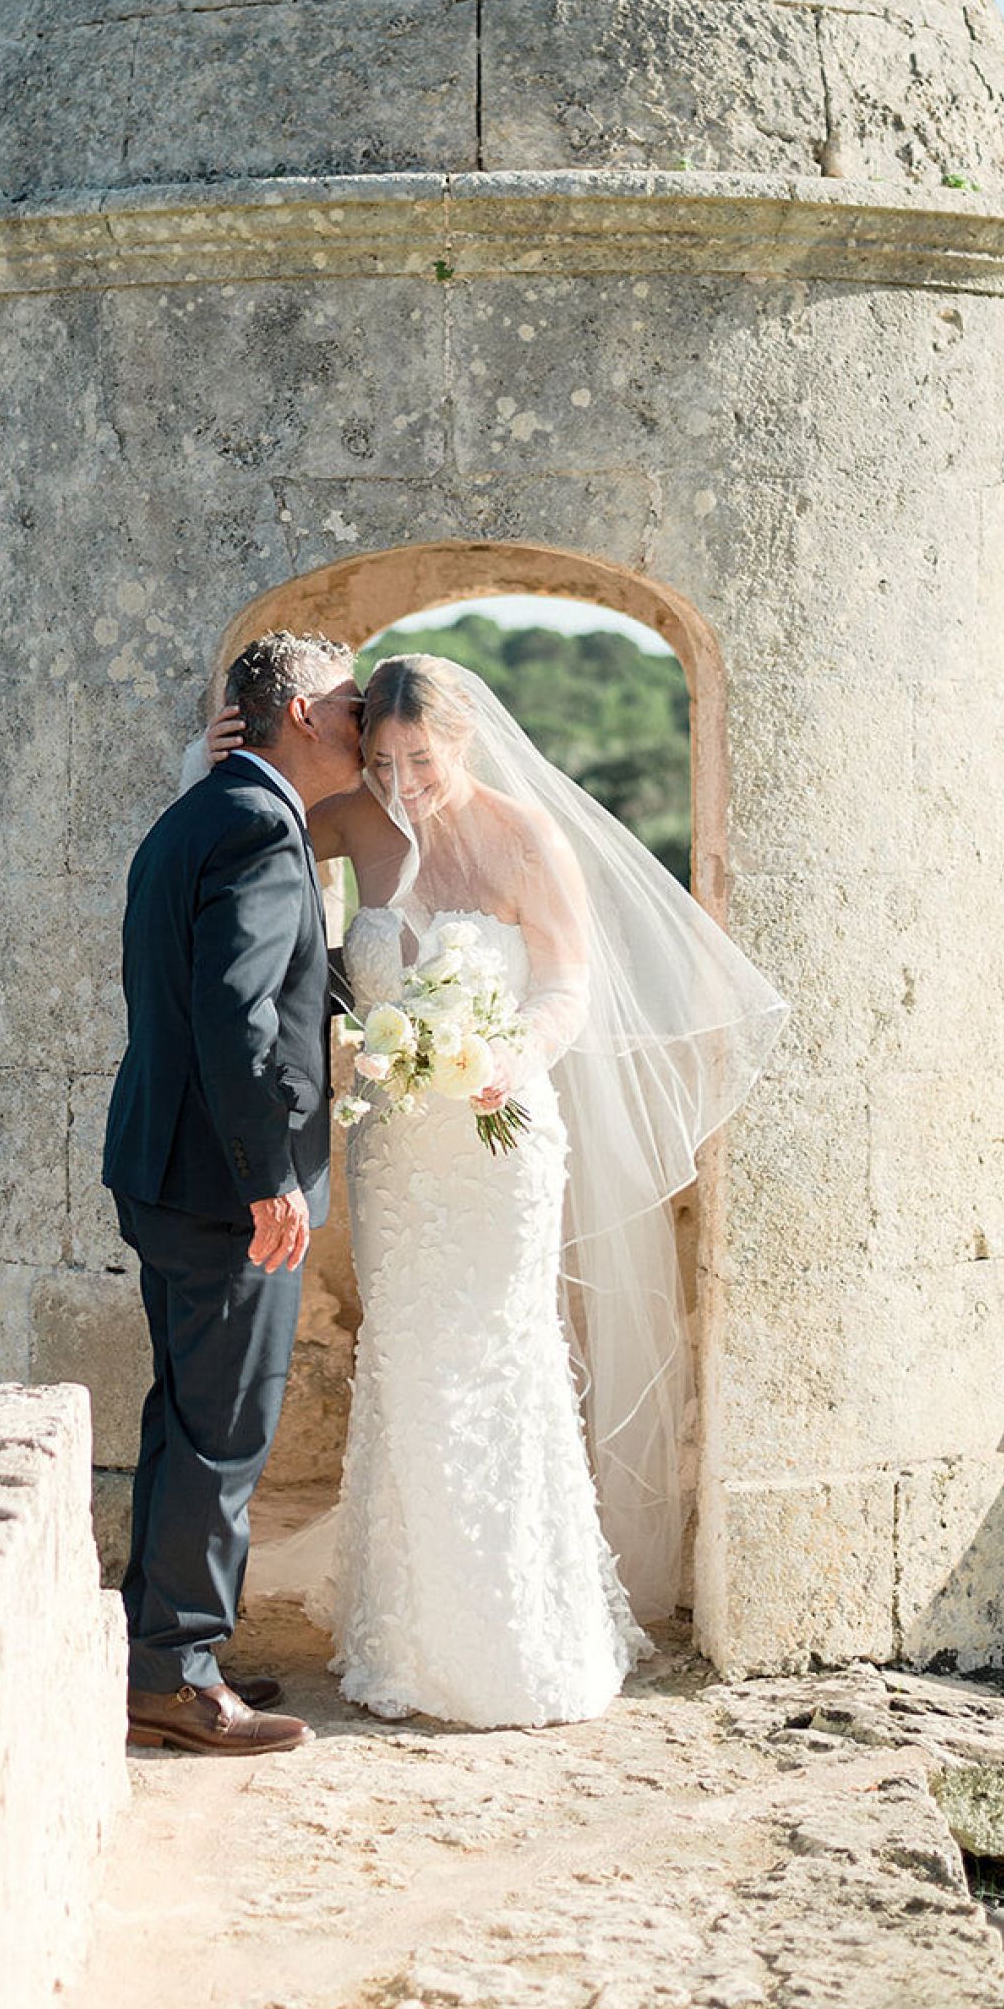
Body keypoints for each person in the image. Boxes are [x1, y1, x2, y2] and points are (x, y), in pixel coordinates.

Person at [200, 651, 787, 1728]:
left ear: (463, 742)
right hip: (398, 1155)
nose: (403, 781)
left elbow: (569, 983)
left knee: (499, 1359)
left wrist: (512, 1056)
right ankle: (411, 1634)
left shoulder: (525, 835)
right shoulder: (353, 822)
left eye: (421, 759)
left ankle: (521, 1636)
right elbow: (251, 831)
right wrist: (213, 758)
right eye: (380, 758)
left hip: (500, 1136)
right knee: (411, 1360)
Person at [102, 630, 366, 1756]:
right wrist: (272, 1179)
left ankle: (164, 1652)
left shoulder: (202, 814)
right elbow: (239, 1019)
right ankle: (179, 1680)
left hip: (164, 1170)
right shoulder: (260, 827)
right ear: (299, 713)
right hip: (222, 1185)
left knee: (186, 1420)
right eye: (351, 702)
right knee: (225, 1431)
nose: (365, 718)